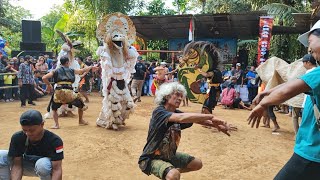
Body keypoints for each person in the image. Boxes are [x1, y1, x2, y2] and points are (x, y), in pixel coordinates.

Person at [248, 20, 320, 179]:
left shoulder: (318, 73)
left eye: (310, 42)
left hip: (312, 150)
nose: (309, 48)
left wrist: (263, 104)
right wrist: (267, 93)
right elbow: (293, 84)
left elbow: (288, 90)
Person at [138, 82, 236, 179]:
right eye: (177, 95)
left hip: (168, 155)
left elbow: (198, 120)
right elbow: (181, 118)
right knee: (173, 175)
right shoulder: (159, 112)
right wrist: (211, 116)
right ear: (167, 96)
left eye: (181, 96)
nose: (180, 98)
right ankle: (171, 173)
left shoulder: (175, 113)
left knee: (197, 164)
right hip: (151, 158)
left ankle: (170, 173)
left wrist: (216, 125)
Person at [0, 110, 63, 180]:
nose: (28, 133)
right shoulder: (17, 137)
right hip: (25, 165)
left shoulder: (54, 140)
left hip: (45, 169)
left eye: (32, 130)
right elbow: (17, 165)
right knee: (1, 155)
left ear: (42, 124)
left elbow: (57, 169)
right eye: (24, 130)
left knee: (42, 165)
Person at [42, 55, 97, 129]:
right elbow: (81, 71)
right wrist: (90, 67)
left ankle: (56, 124)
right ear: (67, 62)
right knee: (81, 105)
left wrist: (49, 85)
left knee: (54, 108)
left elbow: (44, 77)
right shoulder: (71, 70)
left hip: (59, 92)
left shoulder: (55, 71)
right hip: (69, 93)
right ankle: (81, 120)